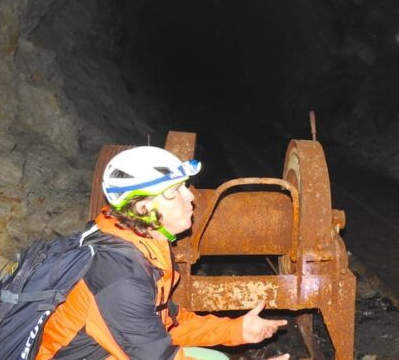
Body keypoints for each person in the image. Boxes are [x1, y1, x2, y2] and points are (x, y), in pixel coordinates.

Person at [37, 146, 289, 360]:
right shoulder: (119, 276)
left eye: (184, 186)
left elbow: (166, 324)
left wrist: (236, 330)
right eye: (174, 191)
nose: (190, 196)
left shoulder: (142, 246)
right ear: (143, 208)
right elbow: (154, 355)